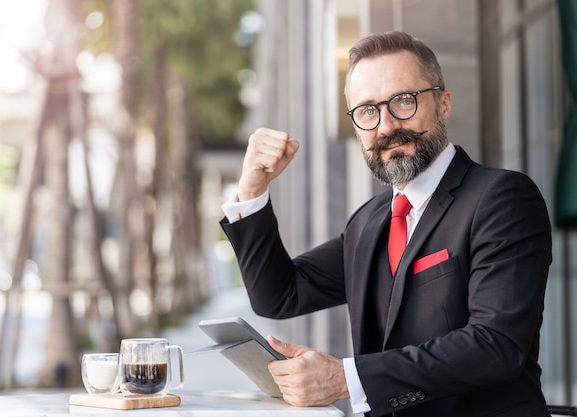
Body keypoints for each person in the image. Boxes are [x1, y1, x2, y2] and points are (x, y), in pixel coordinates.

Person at [220, 31, 552, 417]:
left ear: (443, 103)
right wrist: (252, 189)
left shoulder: (502, 198)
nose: (386, 126)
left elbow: (496, 346)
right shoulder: (369, 221)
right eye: (367, 111)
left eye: (403, 101)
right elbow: (279, 295)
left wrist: (345, 378)